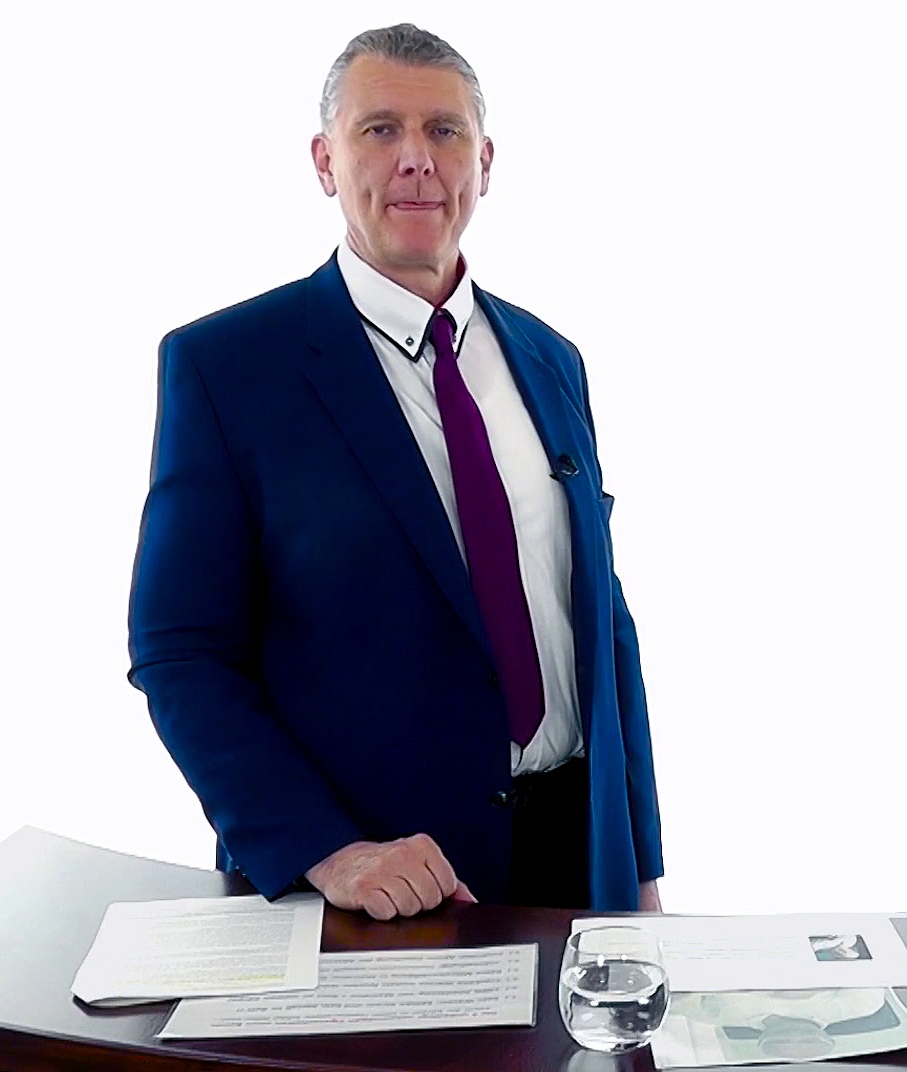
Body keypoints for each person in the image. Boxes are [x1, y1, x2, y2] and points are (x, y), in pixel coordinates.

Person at [127, 24, 663, 919]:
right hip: (377, 889)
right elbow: (181, 652)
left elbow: (603, 623)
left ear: (483, 163)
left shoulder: (551, 359)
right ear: (325, 161)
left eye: (444, 131)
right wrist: (328, 852)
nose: (417, 159)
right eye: (380, 130)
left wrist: (637, 867)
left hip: (580, 863)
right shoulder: (228, 368)